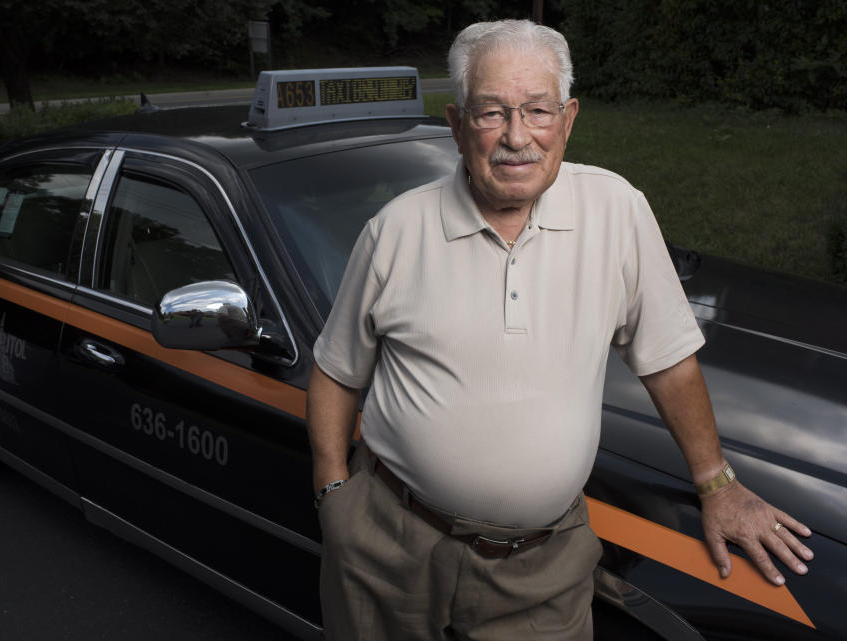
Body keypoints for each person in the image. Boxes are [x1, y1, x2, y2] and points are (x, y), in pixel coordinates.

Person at [306, 19, 814, 641]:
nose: (516, 137)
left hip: (541, 567)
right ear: (457, 124)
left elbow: (668, 360)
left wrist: (719, 485)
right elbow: (336, 371)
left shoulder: (616, 210)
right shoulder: (396, 230)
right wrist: (335, 496)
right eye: (491, 113)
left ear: (568, 119)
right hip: (389, 548)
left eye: (537, 110)